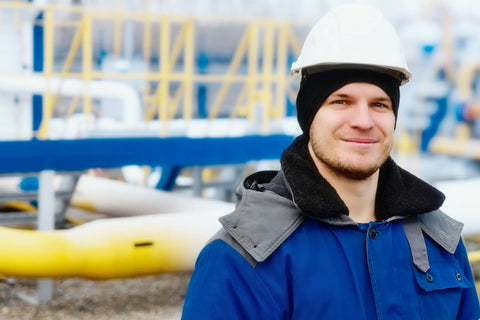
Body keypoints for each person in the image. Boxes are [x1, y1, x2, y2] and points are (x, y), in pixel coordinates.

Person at [181, 3, 480, 319]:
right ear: (309, 115)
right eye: (341, 101)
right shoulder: (242, 259)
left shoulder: (441, 241)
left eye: (379, 104)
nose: (363, 120)